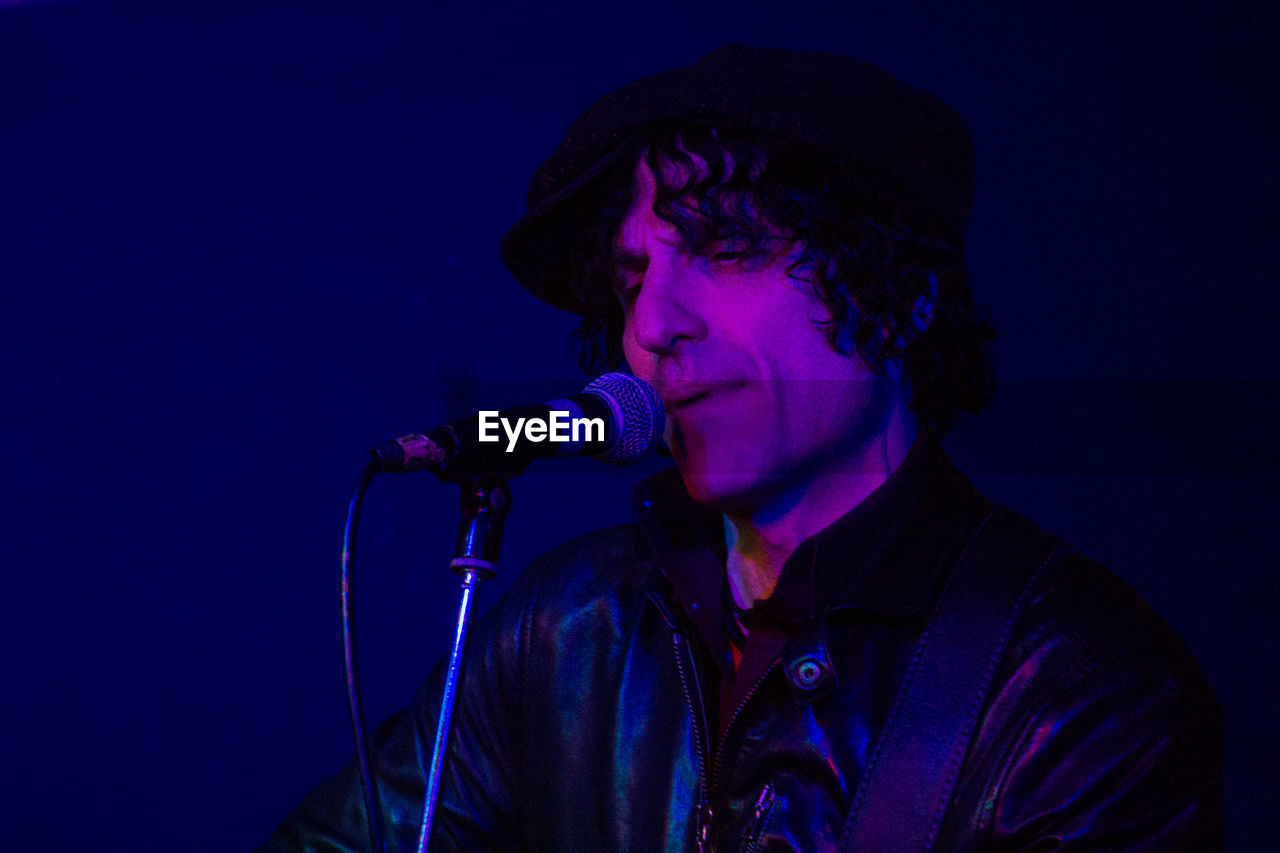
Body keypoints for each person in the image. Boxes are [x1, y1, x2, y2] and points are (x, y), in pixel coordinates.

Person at [261, 45, 1223, 851]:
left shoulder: (1080, 690)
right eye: (633, 276)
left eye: (725, 250)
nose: (654, 325)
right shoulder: (564, 630)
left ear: (902, 292)